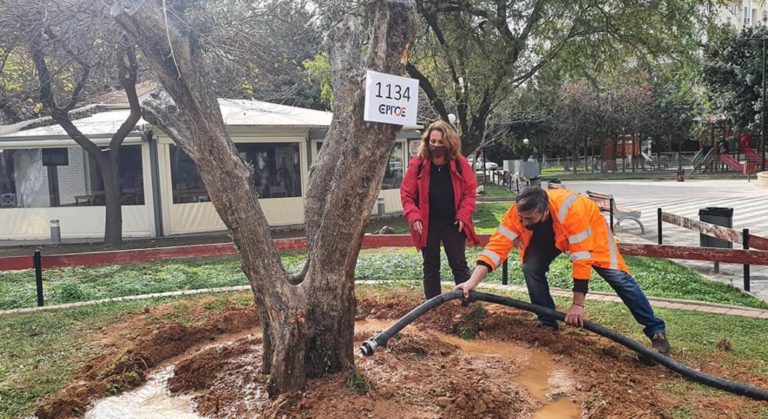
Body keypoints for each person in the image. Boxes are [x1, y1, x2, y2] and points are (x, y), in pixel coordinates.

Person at [454, 186, 671, 354]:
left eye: (529, 219)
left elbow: (581, 258)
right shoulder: (519, 213)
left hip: (588, 228)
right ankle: (547, 322)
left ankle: (655, 330)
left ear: (545, 211)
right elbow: (496, 247)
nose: (522, 222)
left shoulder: (572, 213)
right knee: (530, 267)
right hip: (548, 235)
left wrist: (577, 305)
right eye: (521, 217)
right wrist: (472, 282)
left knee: (616, 276)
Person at [401, 120, 481, 300]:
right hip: (427, 223)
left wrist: (463, 215)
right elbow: (406, 194)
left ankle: (469, 303)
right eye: (433, 141)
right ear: (427, 141)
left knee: (458, 263)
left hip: (454, 221)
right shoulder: (418, 164)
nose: (436, 145)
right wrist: (414, 217)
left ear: (449, 143)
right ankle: (432, 305)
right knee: (430, 265)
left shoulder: (460, 164)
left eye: (440, 142)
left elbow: (469, 193)